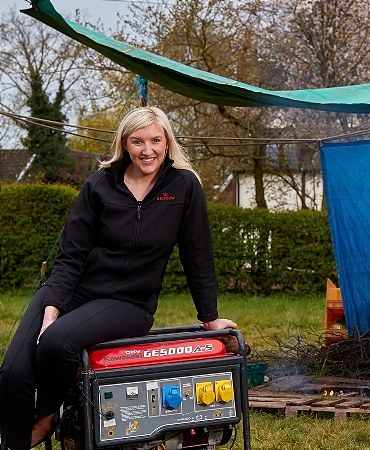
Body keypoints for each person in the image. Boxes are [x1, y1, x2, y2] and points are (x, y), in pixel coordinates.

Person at [0, 106, 237, 450]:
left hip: (129, 303)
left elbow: (197, 257)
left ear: (167, 141)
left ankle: (47, 415)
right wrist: (53, 308)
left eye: (156, 140)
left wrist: (210, 319)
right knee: (11, 375)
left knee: (56, 343)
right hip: (75, 291)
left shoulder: (184, 186)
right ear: (125, 144)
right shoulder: (99, 183)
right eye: (138, 141)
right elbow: (72, 252)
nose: (148, 150)